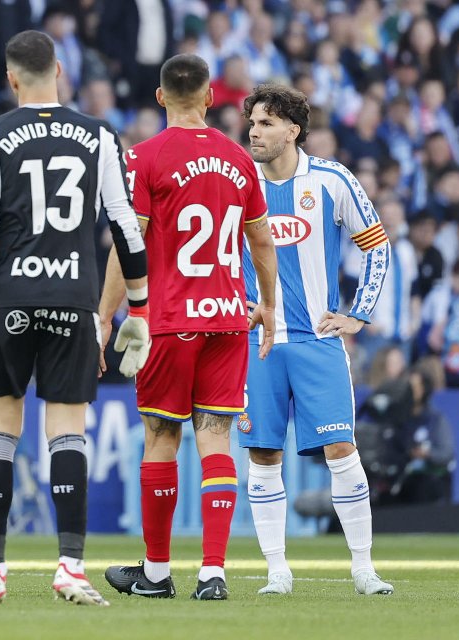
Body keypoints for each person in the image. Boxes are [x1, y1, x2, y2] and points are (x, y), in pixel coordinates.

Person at [0, 31, 148, 607]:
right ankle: (70, 566)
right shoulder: (99, 135)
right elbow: (125, 227)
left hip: (9, 299)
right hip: (74, 300)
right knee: (67, 430)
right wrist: (137, 306)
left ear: (12, 78)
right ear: (60, 71)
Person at [99, 54, 278, 602]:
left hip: (170, 320)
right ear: (208, 98)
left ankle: (155, 574)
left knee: (160, 437)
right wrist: (267, 306)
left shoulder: (145, 158)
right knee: (216, 439)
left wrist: (104, 315)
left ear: (160, 98)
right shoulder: (240, 161)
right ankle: (213, 573)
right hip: (227, 317)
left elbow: (131, 244)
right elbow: (262, 241)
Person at [237, 84, 394, 596]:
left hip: (316, 342)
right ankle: (277, 570)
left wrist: (359, 314)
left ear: (292, 130)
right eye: (252, 123)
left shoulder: (331, 179)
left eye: (264, 123)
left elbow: (376, 245)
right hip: (257, 343)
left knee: (342, 450)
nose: (254, 132)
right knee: (262, 454)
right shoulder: (237, 182)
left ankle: (364, 569)